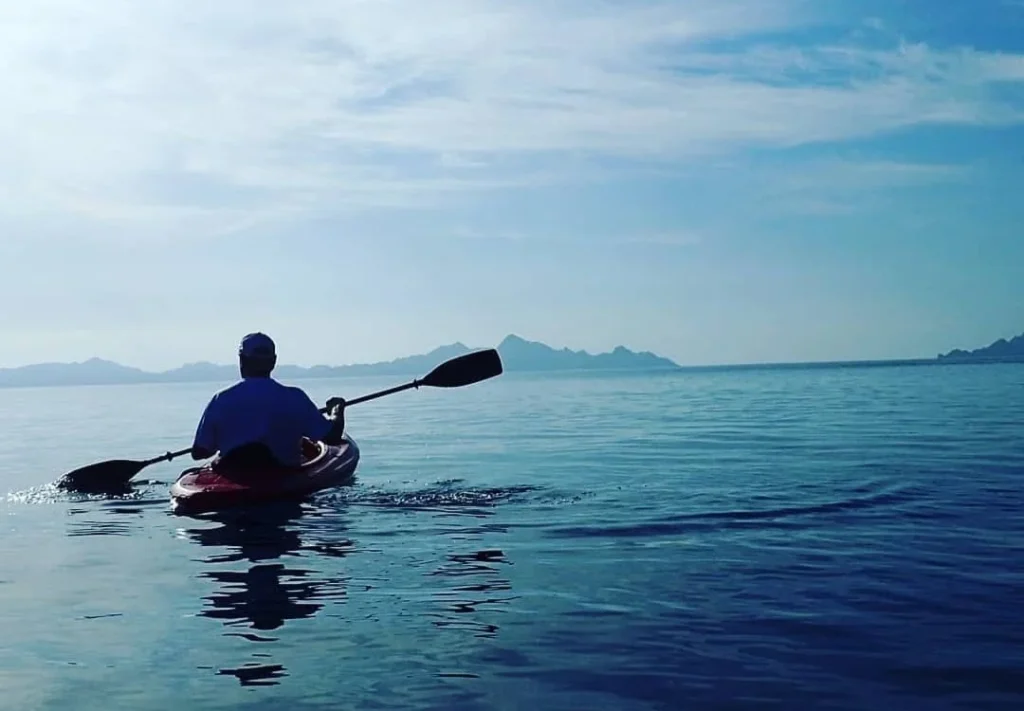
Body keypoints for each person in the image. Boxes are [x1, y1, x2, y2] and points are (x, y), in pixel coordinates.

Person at [190, 332, 347, 470]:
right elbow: (331, 437)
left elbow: (199, 452)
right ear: (273, 361)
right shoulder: (295, 398)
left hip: (235, 478)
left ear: (242, 360)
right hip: (283, 481)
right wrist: (337, 410)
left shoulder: (221, 399)